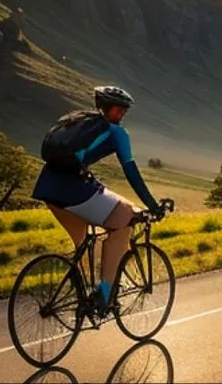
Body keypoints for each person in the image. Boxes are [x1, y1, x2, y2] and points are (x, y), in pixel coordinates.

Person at [32, 85, 165, 312]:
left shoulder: (80, 121)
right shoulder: (116, 133)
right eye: (121, 109)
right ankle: (103, 295)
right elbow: (131, 173)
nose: (123, 114)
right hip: (73, 189)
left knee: (85, 242)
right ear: (111, 108)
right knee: (125, 221)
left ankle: (82, 296)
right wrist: (153, 205)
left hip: (47, 188)